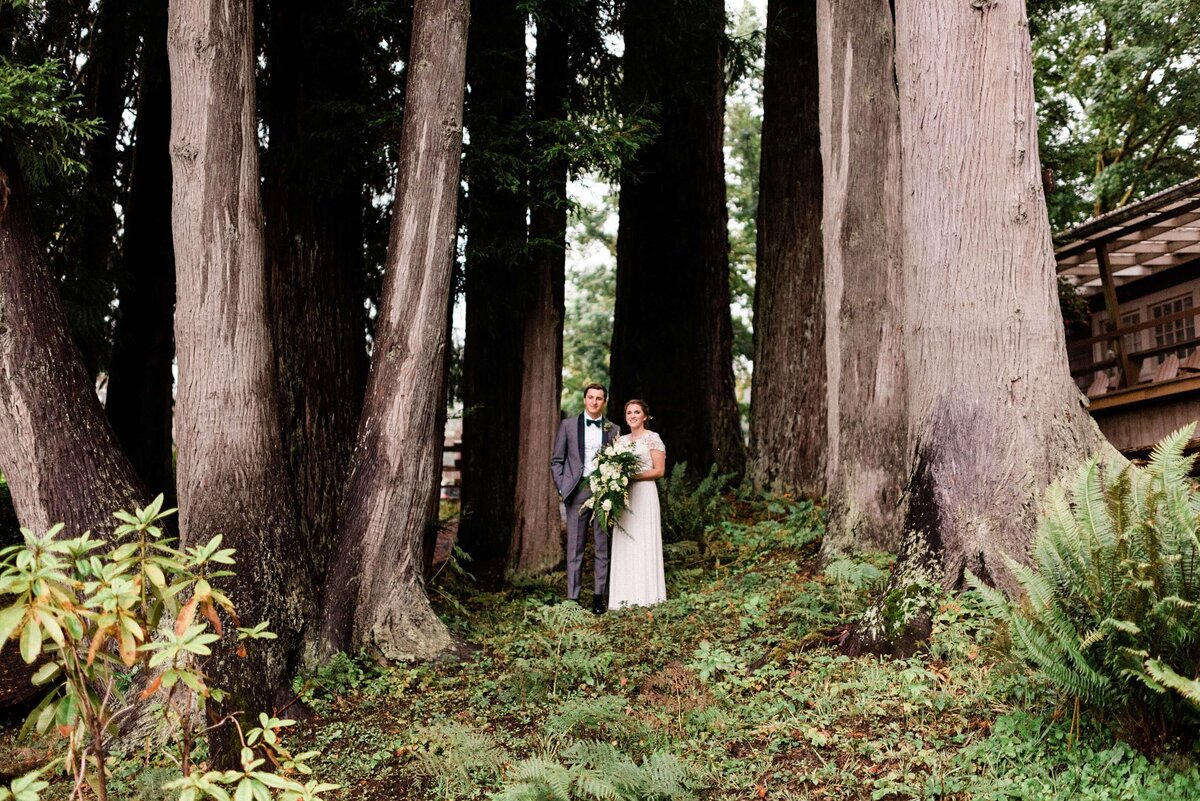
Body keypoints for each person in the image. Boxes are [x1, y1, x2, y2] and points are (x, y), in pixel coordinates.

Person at [550, 383, 620, 613]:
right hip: (577, 491)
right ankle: (573, 597)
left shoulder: (614, 429)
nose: (594, 402)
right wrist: (562, 487)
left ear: (604, 401)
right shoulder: (568, 425)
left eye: (599, 398)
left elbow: (619, 463)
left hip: (603, 492)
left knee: (602, 546)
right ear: (584, 399)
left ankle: (599, 598)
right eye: (591, 397)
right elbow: (557, 461)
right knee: (575, 547)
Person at [607, 399, 666, 610]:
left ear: (645, 416)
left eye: (637, 412)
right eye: (629, 412)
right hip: (625, 496)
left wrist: (632, 476)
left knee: (643, 539)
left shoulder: (652, 438)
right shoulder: (620, 441)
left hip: (644, 493)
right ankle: (623, 598)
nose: (632, 415)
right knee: (626, 540)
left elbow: (659, 471)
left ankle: (648, 597)